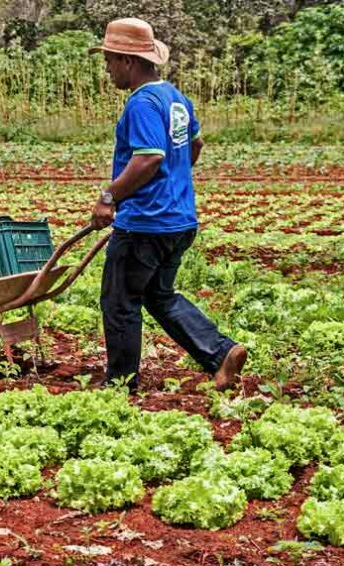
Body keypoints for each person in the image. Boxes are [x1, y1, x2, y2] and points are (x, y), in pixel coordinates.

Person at [88, 17, 246, 393]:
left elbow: (148, 158)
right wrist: (173, 182)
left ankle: (120, 385)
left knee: (119, 301)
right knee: (159, 294)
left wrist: (110, 197)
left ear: (128, 60)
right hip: (179, 220)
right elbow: (195, 146)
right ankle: (220, 352)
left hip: (145, 223)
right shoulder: (175, 99)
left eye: (109, 60)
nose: (107, 68)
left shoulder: (141, 103)